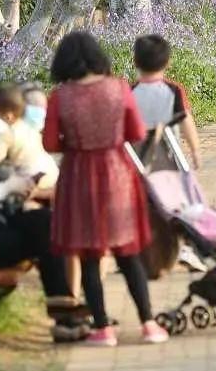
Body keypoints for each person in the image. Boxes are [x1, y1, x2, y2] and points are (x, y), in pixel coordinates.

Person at [43, 31, 168, 345]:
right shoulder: (120, 88)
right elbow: (136, 131)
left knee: (89, 256)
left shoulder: (60, 97)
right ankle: (149, 324)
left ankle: (103, 329)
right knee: (128, 254)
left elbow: (49, 143)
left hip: (78, 178)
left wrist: (74, 142)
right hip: (117, 175)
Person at [0, 101, 85, 343]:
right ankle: (65, 315)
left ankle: (64, 311)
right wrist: (8, 187)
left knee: (44, 222)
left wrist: (19, 190)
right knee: (42, 233)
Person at [132, 34, 202, 169]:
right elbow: (185, 120)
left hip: (137, 159)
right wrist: (195, 150)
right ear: (168, 62)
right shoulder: (174, 90)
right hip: (170, 157)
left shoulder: (129, 92)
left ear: (135, 61)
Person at [0, 85, 58, 190]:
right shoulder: (28, 127)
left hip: (32, 176)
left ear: (8, 116)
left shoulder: (6, 133)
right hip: (51, 172)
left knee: (0, 175)